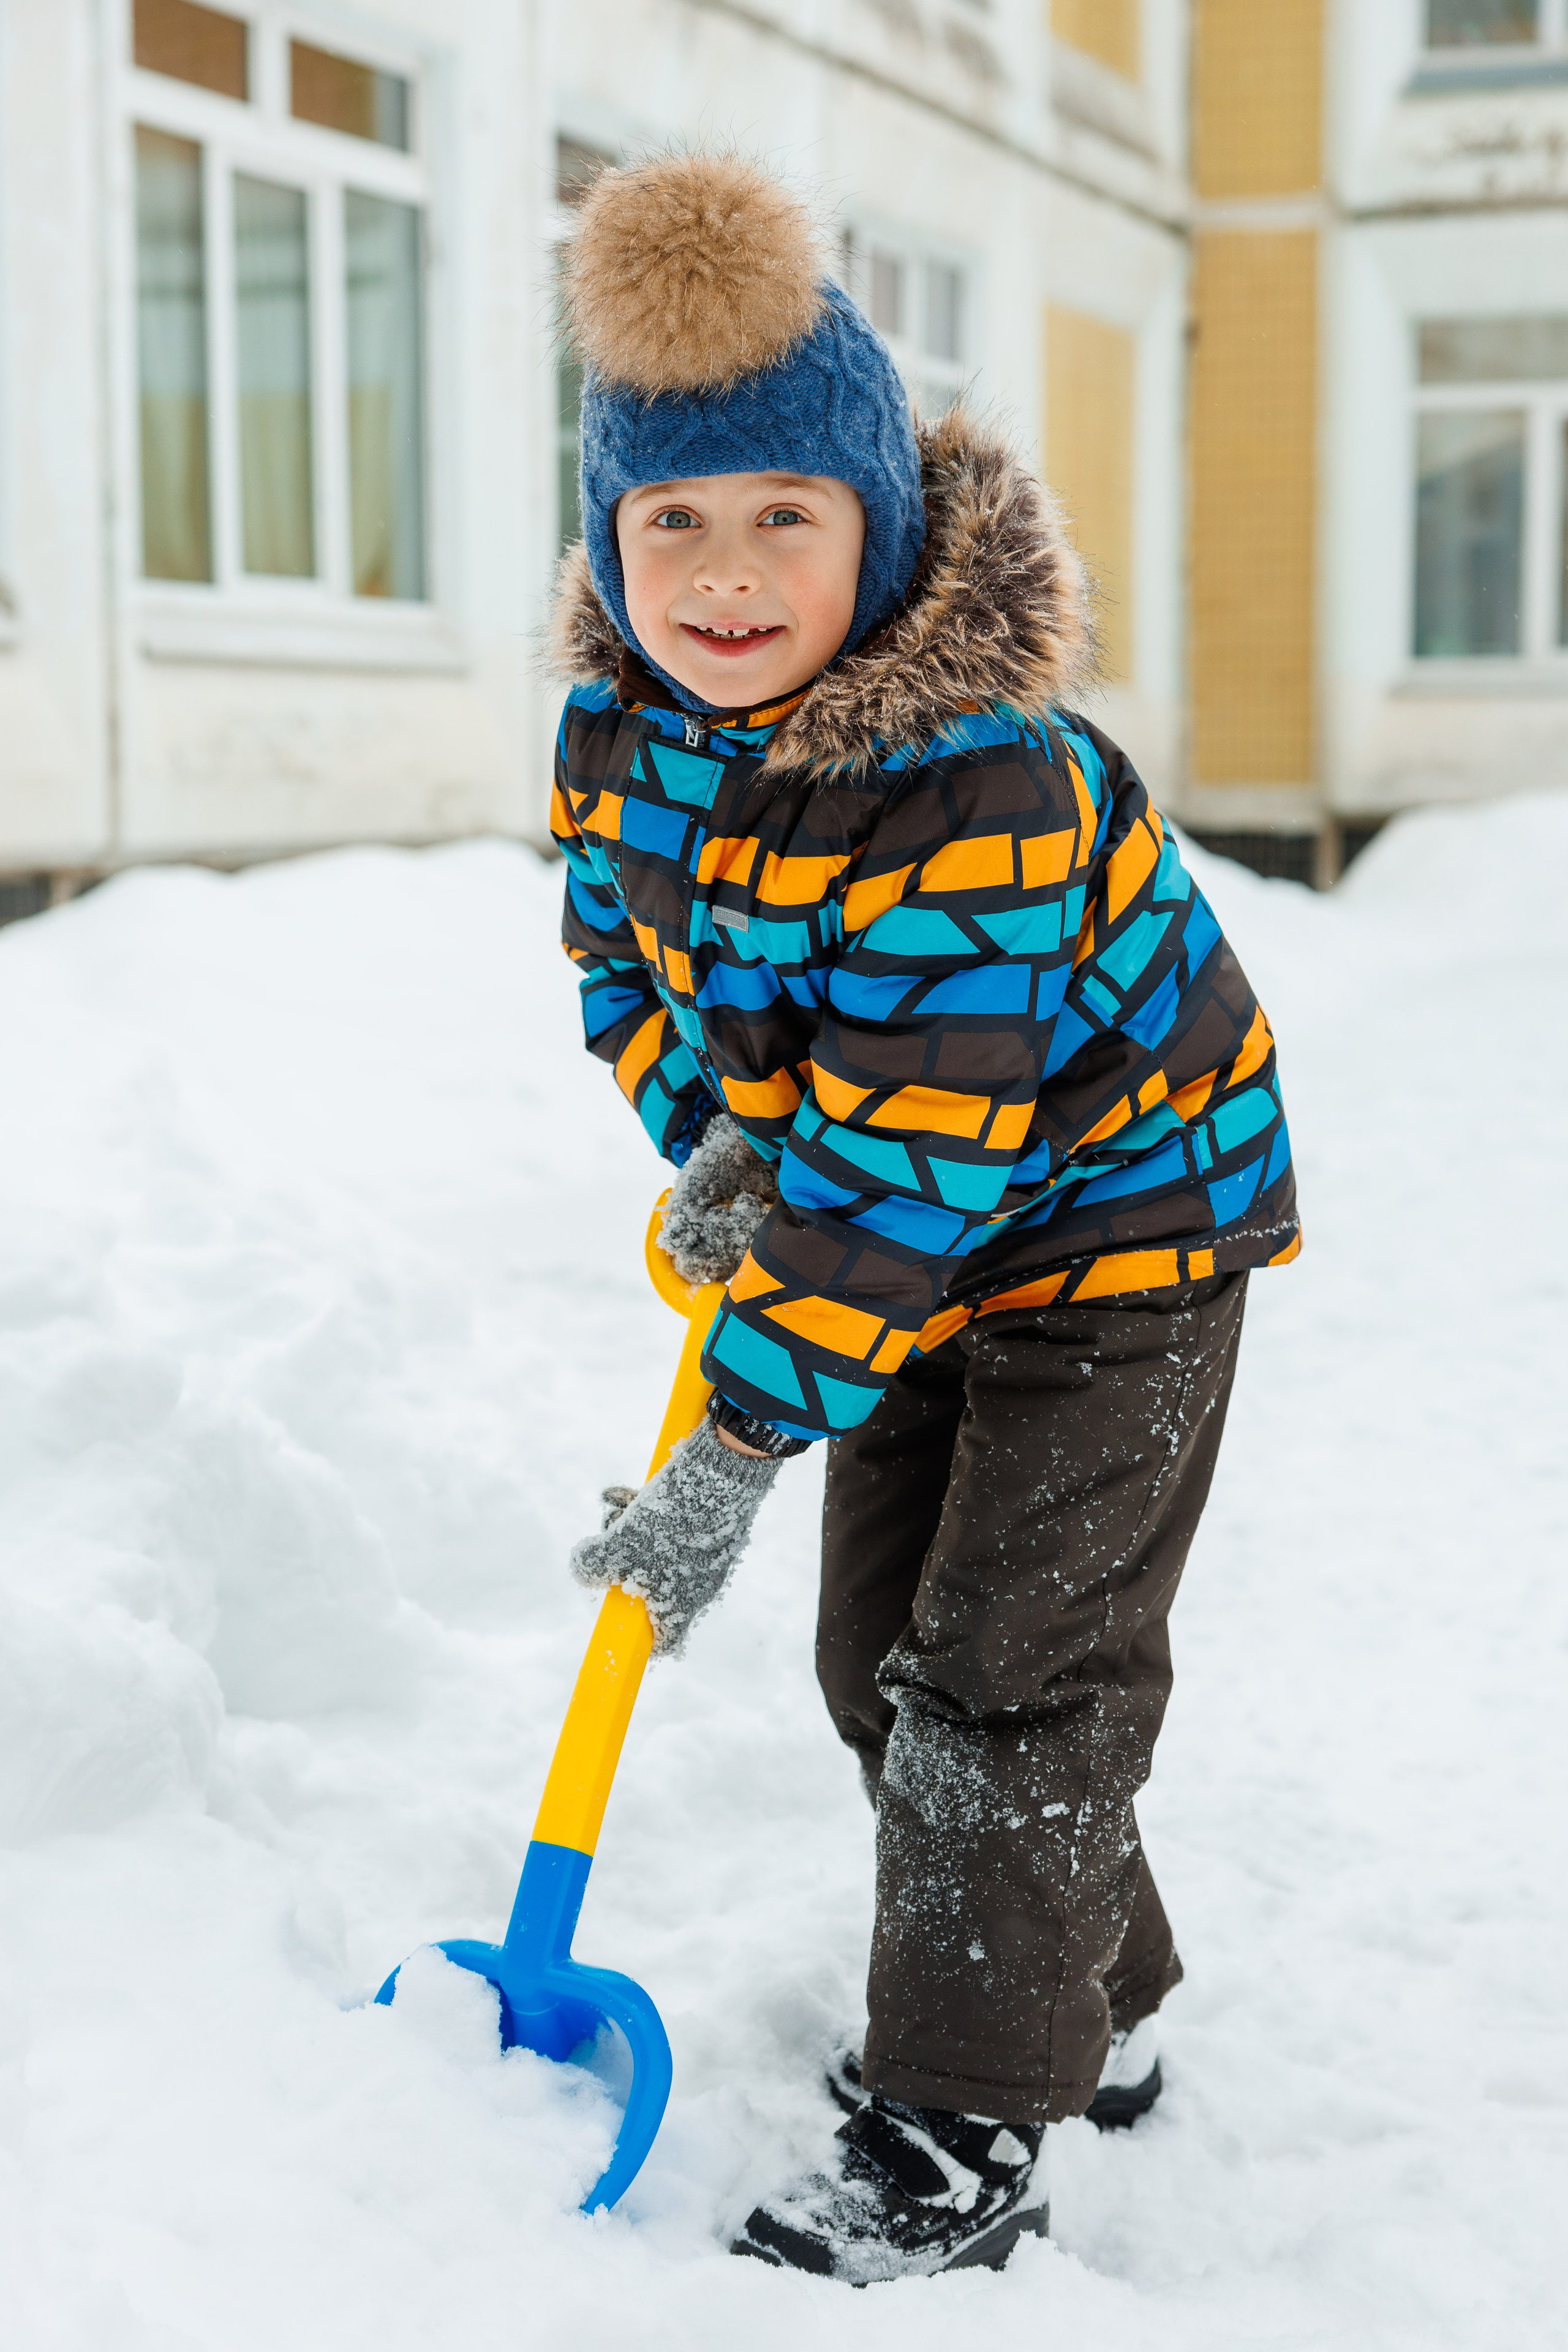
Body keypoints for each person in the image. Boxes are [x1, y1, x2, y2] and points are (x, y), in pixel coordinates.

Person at [554, 153, 1299, 2285]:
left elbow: (911, 1173)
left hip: (1117, 1234)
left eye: (786, 515)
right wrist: (717, 1132)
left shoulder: (977, 777)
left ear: (875, 531)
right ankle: (1084, 1996)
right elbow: (624, 965)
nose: (723, 572)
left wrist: (728, 1449)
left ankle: (962, 2131)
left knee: (1003, 1678)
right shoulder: (622, 732)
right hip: (910, 1217)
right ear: (610, 541)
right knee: (879, 1661)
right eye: (671, 520)